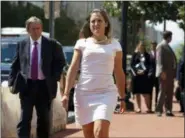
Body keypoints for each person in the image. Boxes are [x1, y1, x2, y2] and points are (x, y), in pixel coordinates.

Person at [61, 9, 126, 138]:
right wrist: (66, 94)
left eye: (99, 21)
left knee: (100, 132)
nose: (96, 24)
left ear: (106, 23)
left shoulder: (115, 45)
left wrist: (122, 96)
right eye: (93, 21)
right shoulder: (82, 43)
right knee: (89, 135)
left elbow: (119, 72)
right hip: (84, 94)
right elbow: (73, 68)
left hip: (106, 93)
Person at [8, 16, 66, 138]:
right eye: (33, 29)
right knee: (24, 119)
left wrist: (54, 77)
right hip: (27, 86)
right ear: (28, 30)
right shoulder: (22, 44)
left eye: (38, 28)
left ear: (41, 29)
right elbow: (15, 64)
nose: (36, 31)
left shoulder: (51, 44)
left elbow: (60, 62)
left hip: (44, 87)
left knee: (44, 120)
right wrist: (11, 82)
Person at [155, 31, 177, 117]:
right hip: (164, 72)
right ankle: (159, 110)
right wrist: (161, 71)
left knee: (169, 92)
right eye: (171, 37)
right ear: (168, 37)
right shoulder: (161, 46)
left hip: (170, 73)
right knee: (162, 91)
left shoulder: (167, 46)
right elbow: (159, 60)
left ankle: (168, 109)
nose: (171, 39)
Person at [130, 41, 153, 113]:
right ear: (138, 46)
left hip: (145, 77)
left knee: (146, 93)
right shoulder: (135, 55)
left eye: (143, 46)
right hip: (137, 77)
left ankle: (148, 108)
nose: (142, 47)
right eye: (140, 46)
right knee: (137, 93)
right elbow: (132, 65)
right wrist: (137, 72)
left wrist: (144, 71)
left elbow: (150, 65)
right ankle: (138, 108)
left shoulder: (148, 55)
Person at [149, 41, 159, 111]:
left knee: (158, 91)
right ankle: (149, 106)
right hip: (151, 75)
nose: (154, 46)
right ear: (151, 46)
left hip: (157, 74)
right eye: (152, 45)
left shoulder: (159, 53)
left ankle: (156, 105)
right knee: (150, 91)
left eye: (155, 45)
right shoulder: (148, 54)